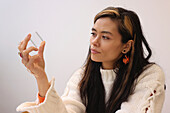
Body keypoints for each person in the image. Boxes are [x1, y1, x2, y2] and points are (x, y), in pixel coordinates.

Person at [17, 7, 165, 113]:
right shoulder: (83, 75)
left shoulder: (149, 75)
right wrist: (41, 76)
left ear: (126, 46)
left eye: (105, 37)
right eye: (93, 33)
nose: (94, 41)